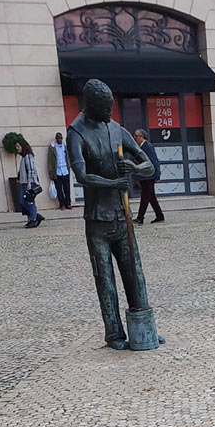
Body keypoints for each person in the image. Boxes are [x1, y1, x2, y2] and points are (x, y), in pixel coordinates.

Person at [67, 79, 158, 350]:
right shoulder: (76, 132)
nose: (110, 113)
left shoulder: (116, 129)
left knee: (135, 274)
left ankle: (143, 328)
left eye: (111, 107)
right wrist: (113, 184)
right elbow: (82, 175)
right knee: (105, 279)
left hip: (123, 216)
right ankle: (114, 333)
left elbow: (149, 166)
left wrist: (133, 167)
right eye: (105, 108)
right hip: (97, 220)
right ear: (91, 105)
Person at [133, 129, 165, 223]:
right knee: (151, 197)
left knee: (145, 198)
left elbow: (155, 161)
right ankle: (159, 215)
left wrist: (157, 176)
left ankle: (140, 218)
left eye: (136, 136)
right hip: (145, 176)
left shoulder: (147, 146)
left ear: (141, 137)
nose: (134, 138)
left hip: (149, 177)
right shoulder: (141, 146)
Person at [16, 138, 43, 228]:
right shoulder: (23, 158)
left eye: (18, 146)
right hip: (24, 182)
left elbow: (31, 170)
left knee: (29, 201)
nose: (17, 148)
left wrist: (29, 182)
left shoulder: (28, 157)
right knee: (23, 201)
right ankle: (35, 216)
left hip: (29, 183)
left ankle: (33, 219)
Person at [47, 131, 72, 209]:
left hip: (65, 170)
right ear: (56, 139)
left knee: (67, 188)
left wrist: (69, 166)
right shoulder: (52, 147)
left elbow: (68, 157)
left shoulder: (65, 146)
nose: (60, 139)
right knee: (59, 189)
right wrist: (51, 172)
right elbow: (50, 160)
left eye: (61, 138)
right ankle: (62, 204)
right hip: (57, 171)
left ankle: (68, 203)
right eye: (58, 138)